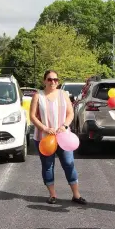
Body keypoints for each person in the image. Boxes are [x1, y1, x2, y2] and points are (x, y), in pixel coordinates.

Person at [29, 70, 87, 205]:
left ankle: (76, 195)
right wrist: (45, 128)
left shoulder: (63, 94)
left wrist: (65, 126)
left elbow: (70, 113)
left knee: (68, 163)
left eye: (56, 80)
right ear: (44, 81)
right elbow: (32, 116)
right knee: (48, 166)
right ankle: (52, 195)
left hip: (63, 137)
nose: (53, 82)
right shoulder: (38, 96)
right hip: (44, 138)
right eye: (50, 79)